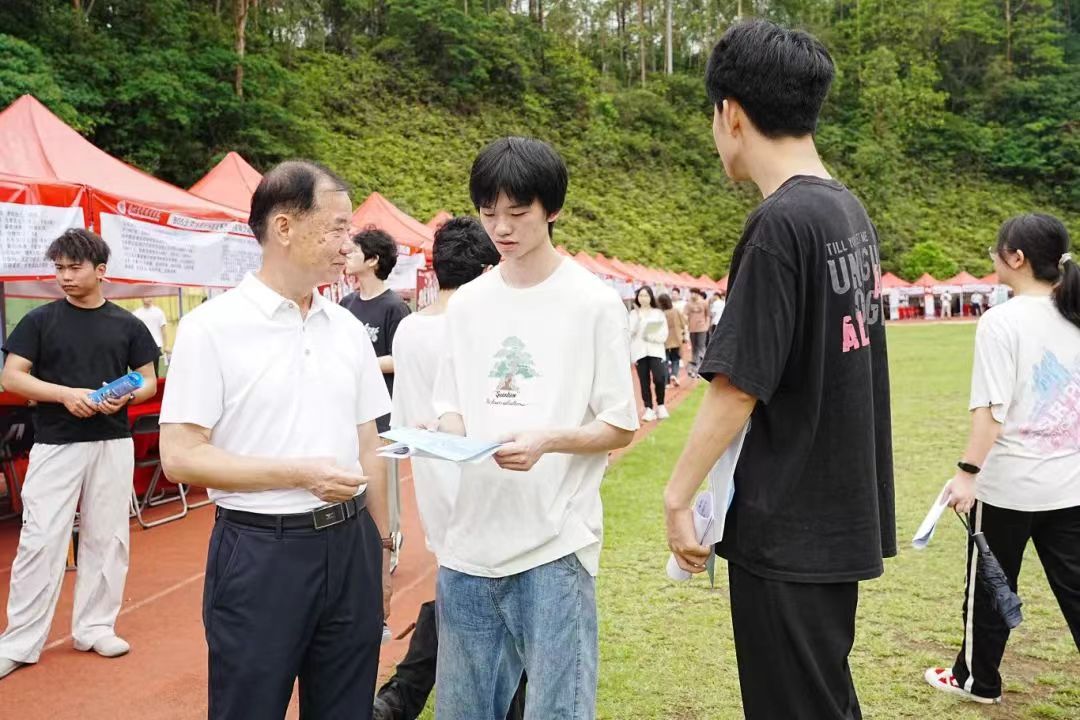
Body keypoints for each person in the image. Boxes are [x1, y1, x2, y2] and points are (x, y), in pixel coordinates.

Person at [663, 20, 895, 720]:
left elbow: (737, 385)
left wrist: (677, 496)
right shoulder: (846, 210)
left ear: (731, 113)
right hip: (834, 513)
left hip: (788, 522)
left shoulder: (779, 224)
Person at [158, 161, 393, 719]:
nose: (348, 244)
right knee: (250, 706)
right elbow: (180, 457)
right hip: (262, 550)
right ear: (284, 226)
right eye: (337, 227)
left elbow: (369, 446)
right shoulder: (212, 328)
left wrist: (381, 550)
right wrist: (297, 474)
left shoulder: (346, 330)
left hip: (352, 546)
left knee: (346, 707)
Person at [432, 136, 638, 719]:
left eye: (518, 213)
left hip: (554, 546)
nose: (501, 227)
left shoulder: (592, 303)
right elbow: (451, 404)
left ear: (552, 209)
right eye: (488, 212)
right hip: (468, 546)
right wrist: (452, 437)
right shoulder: (467, 304)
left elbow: (619, 424)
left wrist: (547, 440)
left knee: (557, 710)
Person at [374, 216, 527, 720]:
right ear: (486, 269)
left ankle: (403, 695)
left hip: (435, 483)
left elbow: (401, 418)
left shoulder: (410, 329)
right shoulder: (482, 325)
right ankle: (414, 693)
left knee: (461, 588)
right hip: (492, 480)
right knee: (502, 599)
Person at [924, 214, 1080, 705]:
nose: (993, 257)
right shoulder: (1074, 313)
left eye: (997, 250)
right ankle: (975, 677)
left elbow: (991, 413)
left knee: (991, 586)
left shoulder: (1001, 321)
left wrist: (966, 474)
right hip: (1069, 483)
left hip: (1009, 486)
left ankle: (978, 680)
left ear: (1016, 258)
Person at [0, 229, 159, 681]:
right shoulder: (39, 320)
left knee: (107, 537)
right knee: (40, 539)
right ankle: (19, 641)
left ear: (101, 271)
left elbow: (147, 379)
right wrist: (65, 394)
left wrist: (126, 396)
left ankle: (95, 627)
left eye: (74, 267)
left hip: (112, 440)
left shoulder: (128, 324)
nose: (65, 276)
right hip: (56, 442)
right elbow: (12, 377)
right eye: (59, 268)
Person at [341, 228, 412, 434]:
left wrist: (358, 363)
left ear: (373, 260)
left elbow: (400, 360)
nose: (347, 255)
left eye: (354, 251)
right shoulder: (346, 303)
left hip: (382, 412)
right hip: (349, 407)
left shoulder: (395, 307)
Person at [630, 286, 669, 422]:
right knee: (643, 381)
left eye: (646, 295)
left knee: (659, 378)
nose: (643, 298)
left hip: (656, 350)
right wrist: (638, 318)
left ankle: (661, 405)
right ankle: (649, 408)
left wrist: (651, 337)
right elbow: (629, 333)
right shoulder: (633, 314)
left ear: (651, 297)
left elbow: (664, 333)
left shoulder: (658, 313)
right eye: (641, 295)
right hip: (639, 352)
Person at [132, 297, 168, 376]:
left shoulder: (158, 312)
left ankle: (155, 383)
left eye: (150, 296)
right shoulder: (136, 313)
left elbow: (163, 329)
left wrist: (166, 345)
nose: (148, 298)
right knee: (142, 370)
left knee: (155, 370)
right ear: (142, 298)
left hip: (156, 344)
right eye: (146, 296)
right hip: (141, 346)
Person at [659, 292, 687, 387]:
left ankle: (666, 381)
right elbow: (683, 323)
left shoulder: (661, 314)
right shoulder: (676, 311)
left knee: (665, 361)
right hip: (676, 338)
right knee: (676, 359)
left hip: (664, 340)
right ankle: (674, 374)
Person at [686, 288, 711, 376]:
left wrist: (707, 325)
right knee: (694, 348)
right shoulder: (689, 304)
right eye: (691, 293)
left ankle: (704, 366)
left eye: (694, 293)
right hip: (692, 328)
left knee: (701, 346)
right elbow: (685, 315)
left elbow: (708, 315)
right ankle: (695, 366)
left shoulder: (704, 302)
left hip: (702, 328)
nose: (692, 295)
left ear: (697, 294)